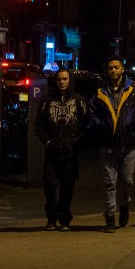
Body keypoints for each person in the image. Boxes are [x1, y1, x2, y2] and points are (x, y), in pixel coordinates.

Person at [87, 57, 135, 232]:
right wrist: (101, 126)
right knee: (110, 181)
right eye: (110, 68)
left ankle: (125, 203)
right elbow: (92, 113)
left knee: (127, 181)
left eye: (116, 67)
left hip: (128, 142)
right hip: (107, 142)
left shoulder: (134, 91)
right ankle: (110, 217)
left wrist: (131, 123)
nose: (113, 71)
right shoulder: (100, 92)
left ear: (122, 69)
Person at [35, 68, 90, 230]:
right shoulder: (47, 101)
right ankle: (51, 218)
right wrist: (47, 142)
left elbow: (86, 123)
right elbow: (39, 125)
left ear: (70, 80)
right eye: (59, 79)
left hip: (70, 153)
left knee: (67, 186)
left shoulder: (78, 100)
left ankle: (64, 218)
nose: (62, 82)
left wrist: (76, 141)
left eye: (65, 79)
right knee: (50, 186)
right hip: (52, 152)